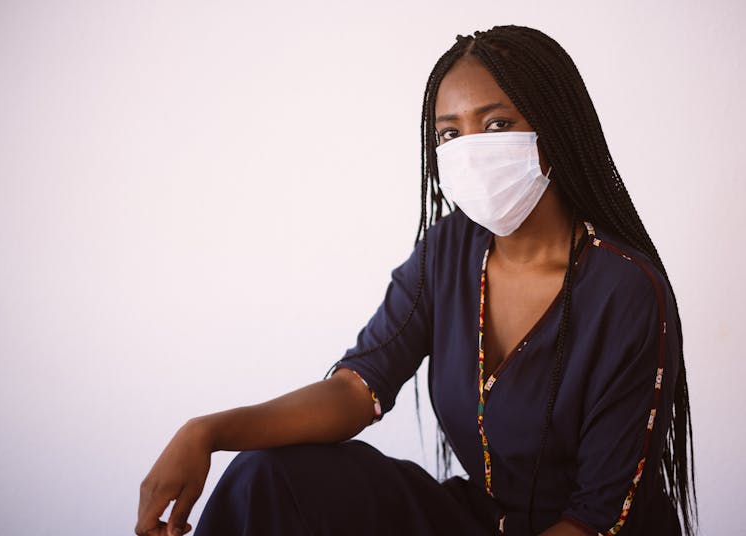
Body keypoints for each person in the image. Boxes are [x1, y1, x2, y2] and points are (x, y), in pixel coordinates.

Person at [135, 25, 696, 536]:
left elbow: (598, 516)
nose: (471, 151)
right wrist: (207, 432)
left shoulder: (625, 289)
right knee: (269, 476)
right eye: (450, 134)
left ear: (554, 129)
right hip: (480, 521)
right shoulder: (449, 249)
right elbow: (358, 388)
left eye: (497, 125)